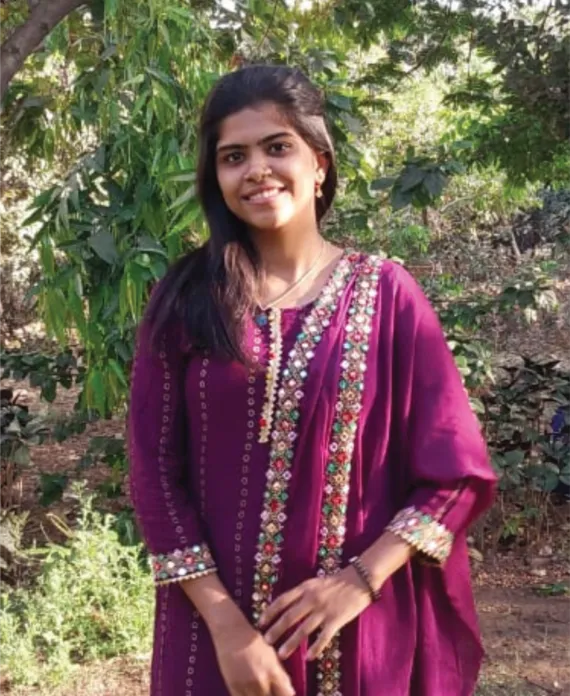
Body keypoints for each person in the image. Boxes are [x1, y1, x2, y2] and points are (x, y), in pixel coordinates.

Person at [128, 64, 497, 696]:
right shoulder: (188, 298)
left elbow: (455, 473)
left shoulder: (387, 296)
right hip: (214, 638)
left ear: (319, 163)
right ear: (216, 176)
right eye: (233, 156)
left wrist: (359, 581)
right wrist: (226, 627)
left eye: (277, 147)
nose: (256, 170)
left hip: (356, 633)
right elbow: (155, 472)